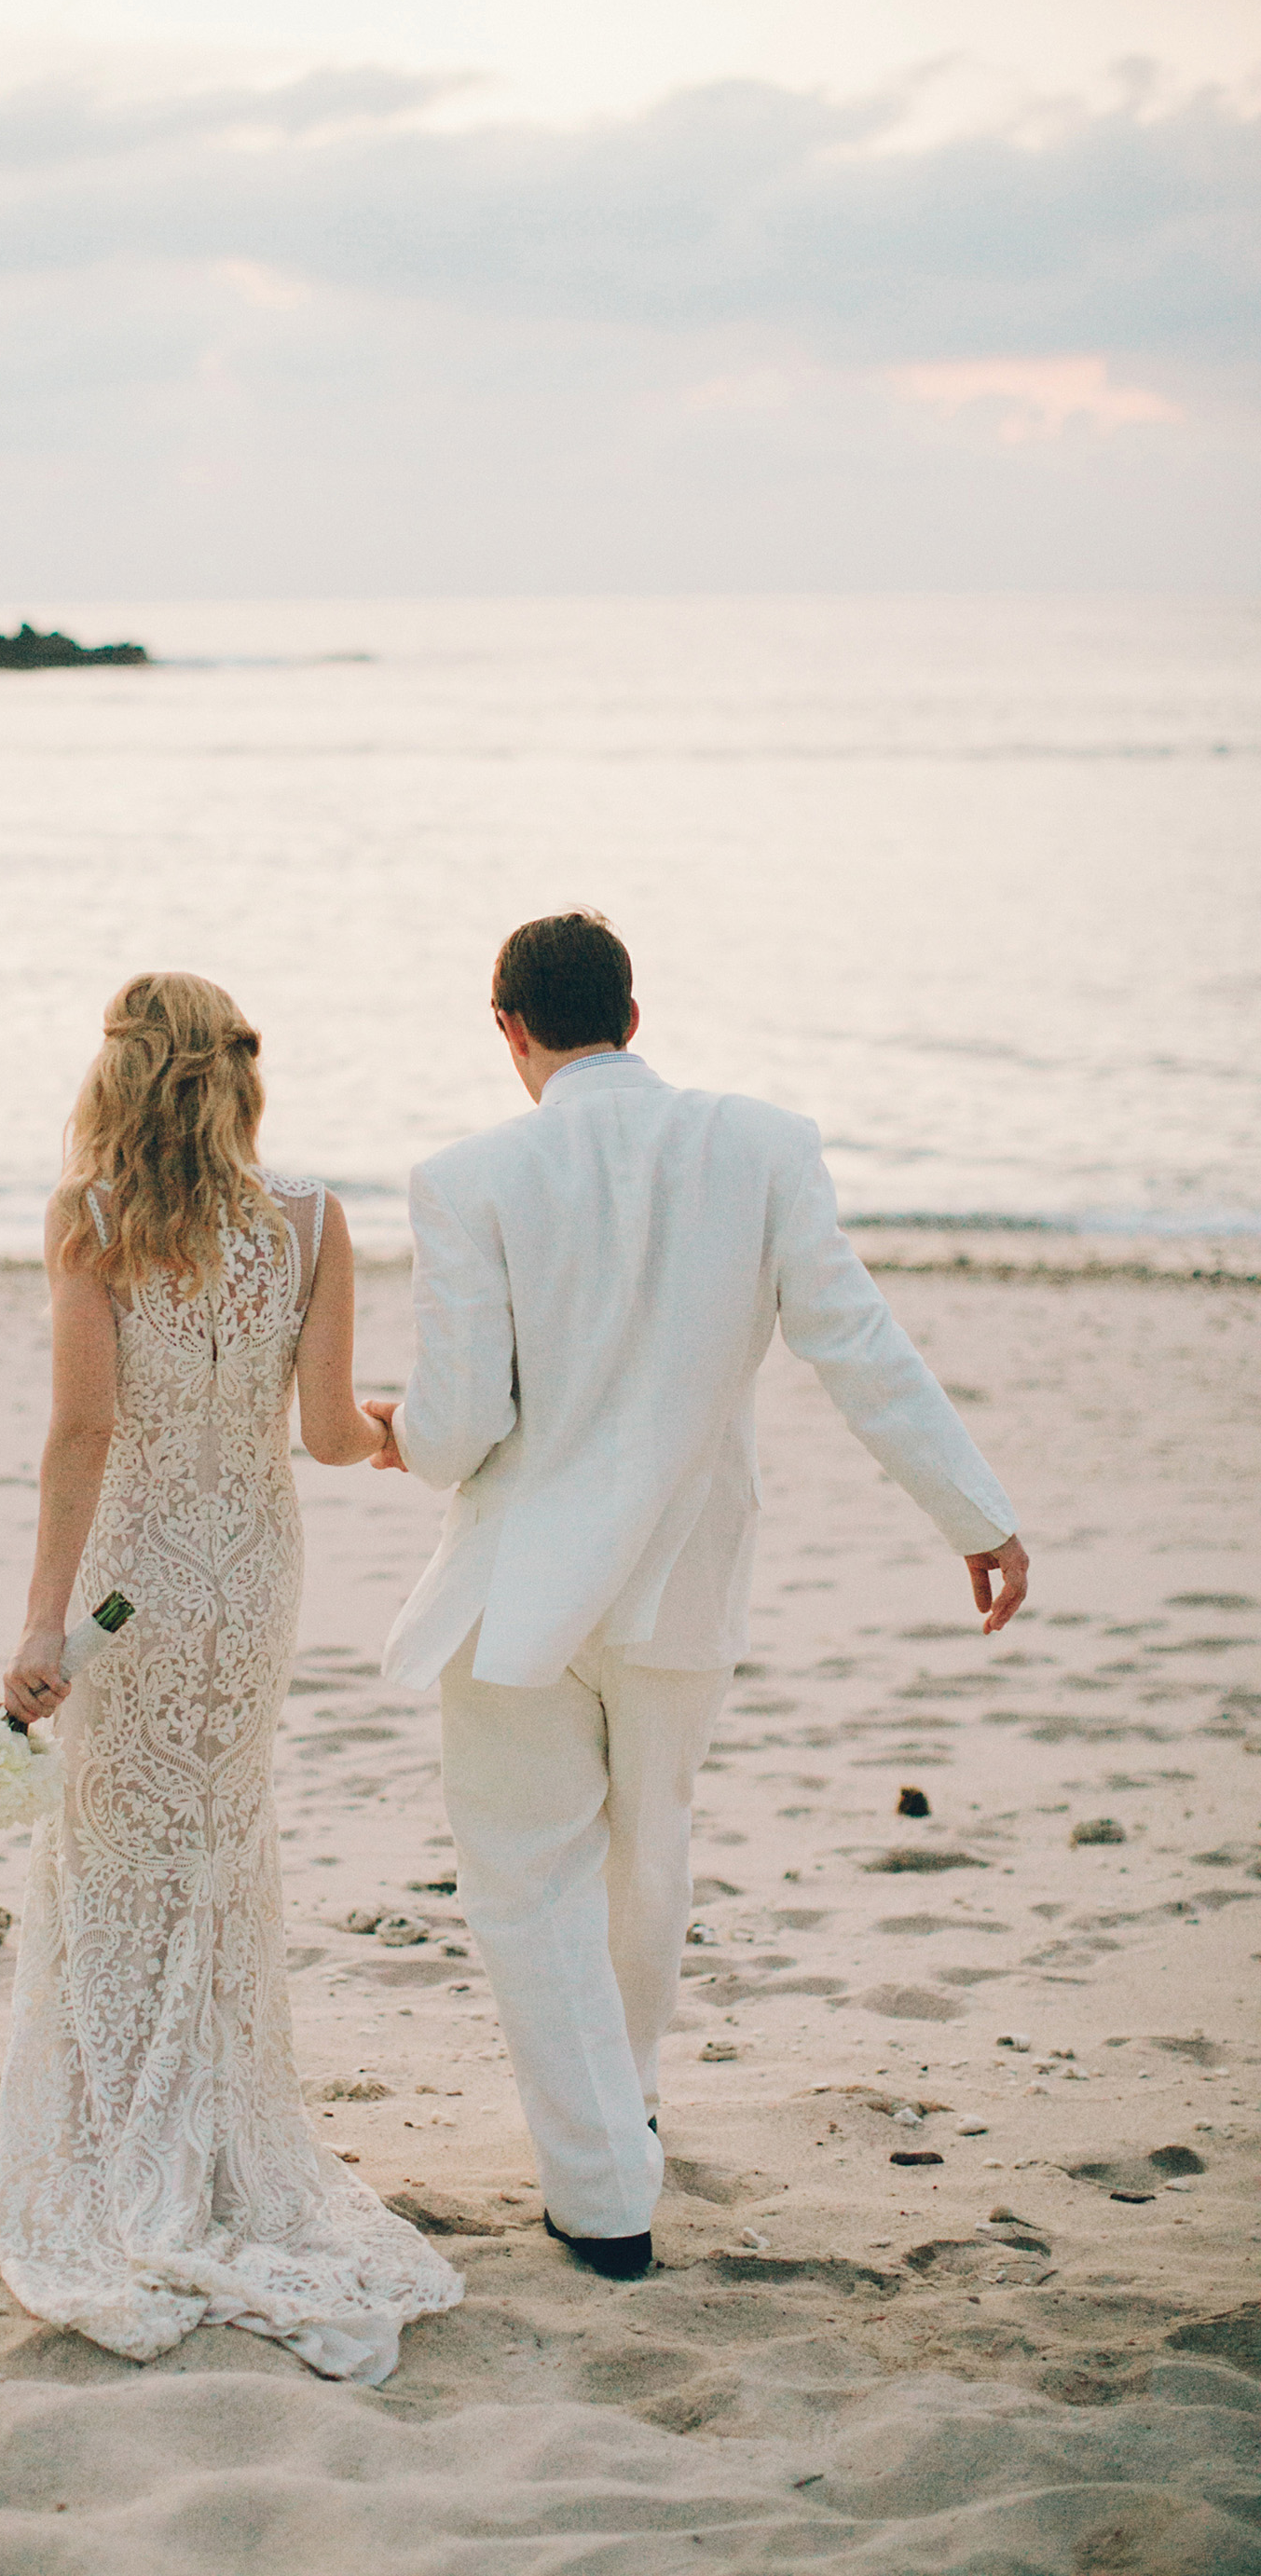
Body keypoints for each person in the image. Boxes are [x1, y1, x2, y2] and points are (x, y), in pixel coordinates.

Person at [365, 912, 1027, 2281]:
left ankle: (604, 2187)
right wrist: (977, 1516)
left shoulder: (465, 1177)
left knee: (526, 1885)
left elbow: (459, 1430)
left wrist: (393, 1433)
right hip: (684, 1576)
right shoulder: (764, 1144)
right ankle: (632, 2105)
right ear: (634, 1014)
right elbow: (859, 1345)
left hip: (517, 1601)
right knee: (648, 1857)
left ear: (507, 1027)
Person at [0, 971, 462, 2381]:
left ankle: (117, 2138)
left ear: (120, 1077)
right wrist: (406, 1435)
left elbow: (82, 1433)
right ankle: (213, 2147)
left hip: (135, 1581)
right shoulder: (313, 1223)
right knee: (219, 1837)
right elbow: (324, 1435)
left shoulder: (90, 1225)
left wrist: (38, 1625)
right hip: (251, 1579)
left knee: (118, 1845)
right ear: (237, 1077)